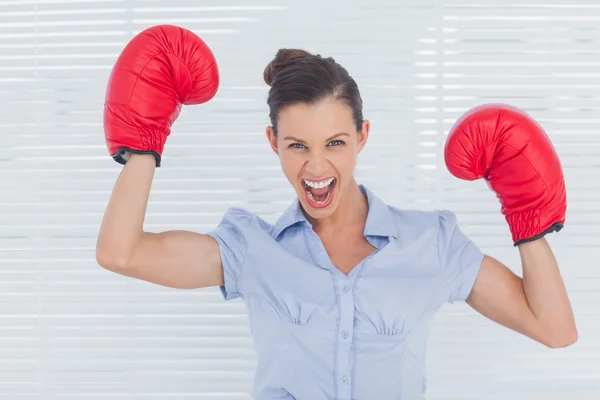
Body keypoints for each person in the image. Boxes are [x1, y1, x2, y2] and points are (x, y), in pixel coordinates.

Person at [96, 25, 578, 400]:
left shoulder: (430, 243)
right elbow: (121, 254)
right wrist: (143, 145)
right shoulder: (252, 249)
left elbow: (554, 329)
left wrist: (528, 218)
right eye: (298, 146)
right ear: (273, 144)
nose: (317, 166)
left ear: (363, 136)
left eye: (336, 143)